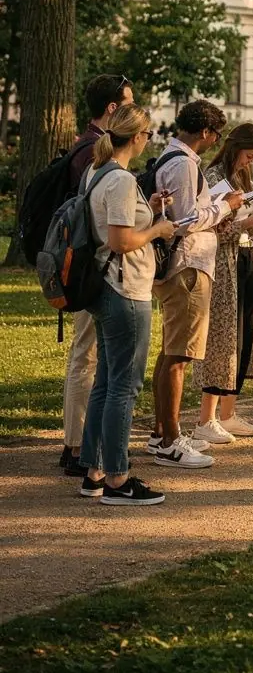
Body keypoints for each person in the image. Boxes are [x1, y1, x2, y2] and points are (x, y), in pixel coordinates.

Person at [78, 104, 174, 506]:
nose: (148, 139)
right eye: (148, 134)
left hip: (106, 287)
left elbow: (112, 226)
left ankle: (95, 471)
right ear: (136, 137)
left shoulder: (97, 172)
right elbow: (119, 241)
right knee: (123, 386)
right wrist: (158, 228)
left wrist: (146, 207)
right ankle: (118, 478)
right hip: (124, 288)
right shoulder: (117, 179)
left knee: (105, 381)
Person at [149, 100, 244, 468]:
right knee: (179, 357)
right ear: (205, 132)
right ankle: (170, 440)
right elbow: (187, 219)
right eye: (215, 134)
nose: (214, 141)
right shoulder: (185, 164)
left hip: (183, 265)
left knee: (172, 352)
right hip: (189, 266)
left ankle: (162, 433)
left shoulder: (170, 157)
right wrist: (227, 206)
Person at [60, 73, 134, 476]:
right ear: (112, 109)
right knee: (87, 356)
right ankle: (77, 446)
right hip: (93, 268)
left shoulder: (88, 147)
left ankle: (84, 446)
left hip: (91, 264)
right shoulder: (92, 151)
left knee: (91, 356)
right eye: (128, 102)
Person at [192, 123, 253, 442]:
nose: (250, 161)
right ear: (235, 149)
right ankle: (206, 418)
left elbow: (245, 222)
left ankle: (228, 413)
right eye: (249, 155)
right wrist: (247, 222)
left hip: (246, 259)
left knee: (243, 335)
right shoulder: (213, 177)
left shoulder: (245, 177)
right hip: (223, 265)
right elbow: (208, 227)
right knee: (222, 339)